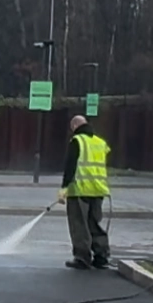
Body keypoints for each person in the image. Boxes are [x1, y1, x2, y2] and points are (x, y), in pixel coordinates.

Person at [57, 115, 111, 270]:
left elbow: (70, 165)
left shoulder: (77, 141)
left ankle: (82, 257)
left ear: (74, 126)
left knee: (79, 224)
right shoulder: (100, 142)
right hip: (98, 190)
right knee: (94, 223)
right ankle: (101, 257)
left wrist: (64, 188)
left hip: (80, 190)